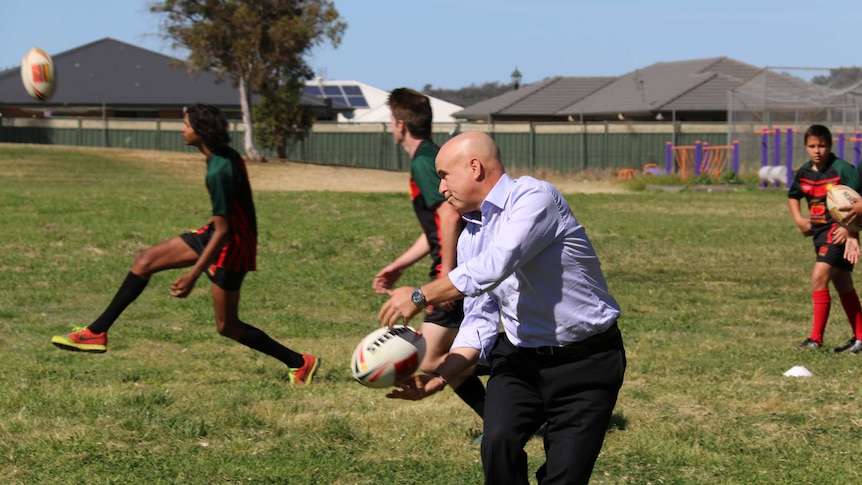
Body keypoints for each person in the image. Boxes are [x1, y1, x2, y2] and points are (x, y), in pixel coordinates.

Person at [378, 131, 626, 485]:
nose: (441, 187)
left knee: (565, 478)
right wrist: (440, 376)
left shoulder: (535, 198)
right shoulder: (471, 237)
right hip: (520, 360)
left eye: (445, 175)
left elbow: (497, 264)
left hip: (587, 363)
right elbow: (479, 320)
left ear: (475, 167)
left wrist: (419, 295)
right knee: (498, 444)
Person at [51, 104, 321, 385]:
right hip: (215, 233)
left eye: (186, 124)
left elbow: (226, 230)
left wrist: (193, 275)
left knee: (227, 326)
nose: (182, 129)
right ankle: (96, 332)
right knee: (144, 261)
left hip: (232, 246)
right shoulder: (220, 156)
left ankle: (299, 362)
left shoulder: (220, 170)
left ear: (201, 132)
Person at [371, 88, 485, 420]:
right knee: (438, 356)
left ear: (399, 123)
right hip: (458, 266)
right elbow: (435, 228)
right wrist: (399, 264)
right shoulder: (430, 156)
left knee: (434, 360)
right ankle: (500, 421)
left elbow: (450, 216)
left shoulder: (423, 161)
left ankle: (522, 366)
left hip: (456, 269)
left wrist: (445, 274)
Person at [788, 124, 862, 354]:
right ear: (805, 147)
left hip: (837, 233)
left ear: (830, 146)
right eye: (812, 146)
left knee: (819, 277)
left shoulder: (843, 169)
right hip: (819, 234)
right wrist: (800, 219)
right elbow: (793, 195)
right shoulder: (805, 171)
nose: (817, 150)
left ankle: (815, 339)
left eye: (822, 145)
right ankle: (860, 338)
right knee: (842, 283)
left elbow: (856, 203)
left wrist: (850, 232)